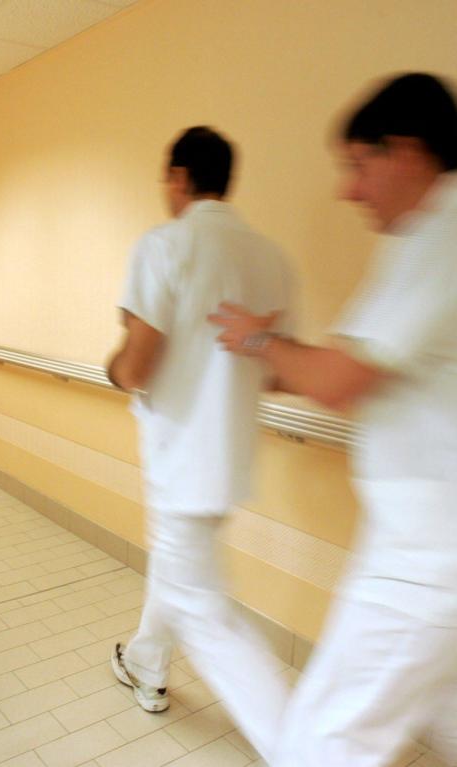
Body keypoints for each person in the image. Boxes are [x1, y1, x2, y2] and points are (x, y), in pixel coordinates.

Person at [210, 72, 457, 766]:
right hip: (423, 540)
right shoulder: (421, 239)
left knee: (320, 745)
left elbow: (339, 379)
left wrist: (259, 341)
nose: (348, 190)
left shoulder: (440, 238)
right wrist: (274, 355)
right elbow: (353, 368)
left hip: (427, 556)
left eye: (357, 164)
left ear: (404, 151)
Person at [107, 126, 294, 764]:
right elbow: (277, 369)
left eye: (167, 178)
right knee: (178, 565)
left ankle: (305, 747)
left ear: (181, 178)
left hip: (180, 456)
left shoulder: (165, 244)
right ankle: (145, 663)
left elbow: (138, 363)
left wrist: (114, 369)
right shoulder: (269, 257)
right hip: (231, 456)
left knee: (203, 610)